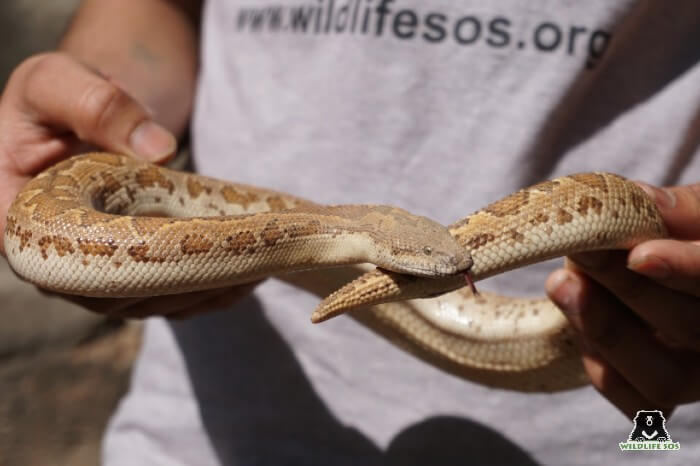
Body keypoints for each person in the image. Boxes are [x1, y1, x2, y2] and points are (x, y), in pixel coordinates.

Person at [0, 0, 698, 464]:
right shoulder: (332, 235)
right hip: (202, 435)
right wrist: (96, 116)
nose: (460, 268)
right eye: (431, 262)